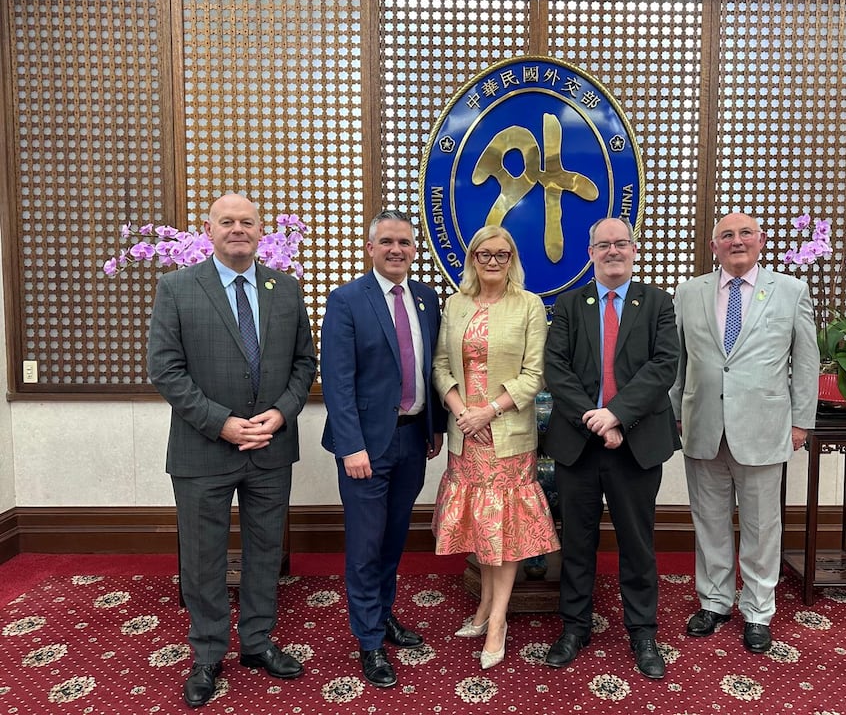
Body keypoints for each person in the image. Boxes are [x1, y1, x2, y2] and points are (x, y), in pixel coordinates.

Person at [147, 193, 317, 709]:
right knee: (203, 558)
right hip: (204, 449)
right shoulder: (177, 287)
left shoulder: (286, 289)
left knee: (266, 551)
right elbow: (165, 369)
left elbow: (303, 364)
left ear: (261, 230)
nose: (238, 229)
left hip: (270, 444)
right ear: (210, 229)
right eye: (228, 222)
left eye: (247, 222)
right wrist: (222, 424)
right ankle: (206, 653)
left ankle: (259, 643)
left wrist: (282, 413)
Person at [670, 211, 818, 654]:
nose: (737, 241)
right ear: (714, 246)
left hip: (763, 427)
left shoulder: (790, 292)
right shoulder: (689, 292)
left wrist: (800, 422)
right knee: (709, 522)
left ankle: (757, 610)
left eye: (745, 233)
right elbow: (678, 361)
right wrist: (677, 414)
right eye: (726, 235)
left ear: (761, 240)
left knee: (760, 526)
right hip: (702, 428)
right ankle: (714, 601)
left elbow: (806, 363)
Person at [542, 216, 680, 679]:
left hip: (637, 443)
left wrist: (617, 414)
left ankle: (642, 631)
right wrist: (596, 420)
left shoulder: (658, 303)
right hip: (579, 443)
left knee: (637, 544)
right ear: (591, 253)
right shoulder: (568, 305)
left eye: (621, 243)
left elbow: (664, 367)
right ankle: (574, 627)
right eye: (604, 245)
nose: (613, 251)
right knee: (576, 542)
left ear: (633, 249)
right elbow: (556, 370)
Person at [320, 209, 446, 689]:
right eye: (387, 241)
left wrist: (434, 427)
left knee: (394, 538)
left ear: (415, 250)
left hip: (413, 438)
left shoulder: (426, 298)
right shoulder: (347, 300)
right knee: (366, 546)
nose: (397, 250)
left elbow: (429, 366)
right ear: (371, 248)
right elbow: (337, 381)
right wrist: (351, 446)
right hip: (365, 448)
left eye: (405, 243)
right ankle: (369, 640)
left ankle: (384, 615)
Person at [431, 225, 560, 670]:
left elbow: (535, 373)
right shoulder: (455, 304)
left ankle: (499, 620)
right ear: (471, 258)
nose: (491, 261)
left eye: (501, 255)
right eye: (483, 253)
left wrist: (489, 411)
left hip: (506, 433)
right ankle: (484, 608)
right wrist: (461, 410)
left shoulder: (527, 305)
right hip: (465, 433)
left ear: (512, 260)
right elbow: (441, 364)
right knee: (480, 527)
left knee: (502, 529)